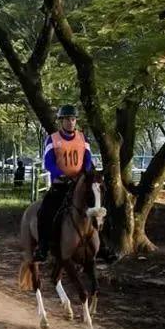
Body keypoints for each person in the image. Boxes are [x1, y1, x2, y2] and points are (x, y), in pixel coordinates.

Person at [34, 104, 94, 262]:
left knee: (97, 206)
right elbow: (48, 162)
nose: (70, 122)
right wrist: (60, 175)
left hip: (80, 184)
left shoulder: (83, 138)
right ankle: (43, 247)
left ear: (76, 121)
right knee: (45, 211)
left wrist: (82, 175)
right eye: (67, 119)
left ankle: (103, 246)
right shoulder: (52, 139)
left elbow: (88, 160)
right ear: (61, 121)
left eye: (73, 119)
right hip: (60, 184)